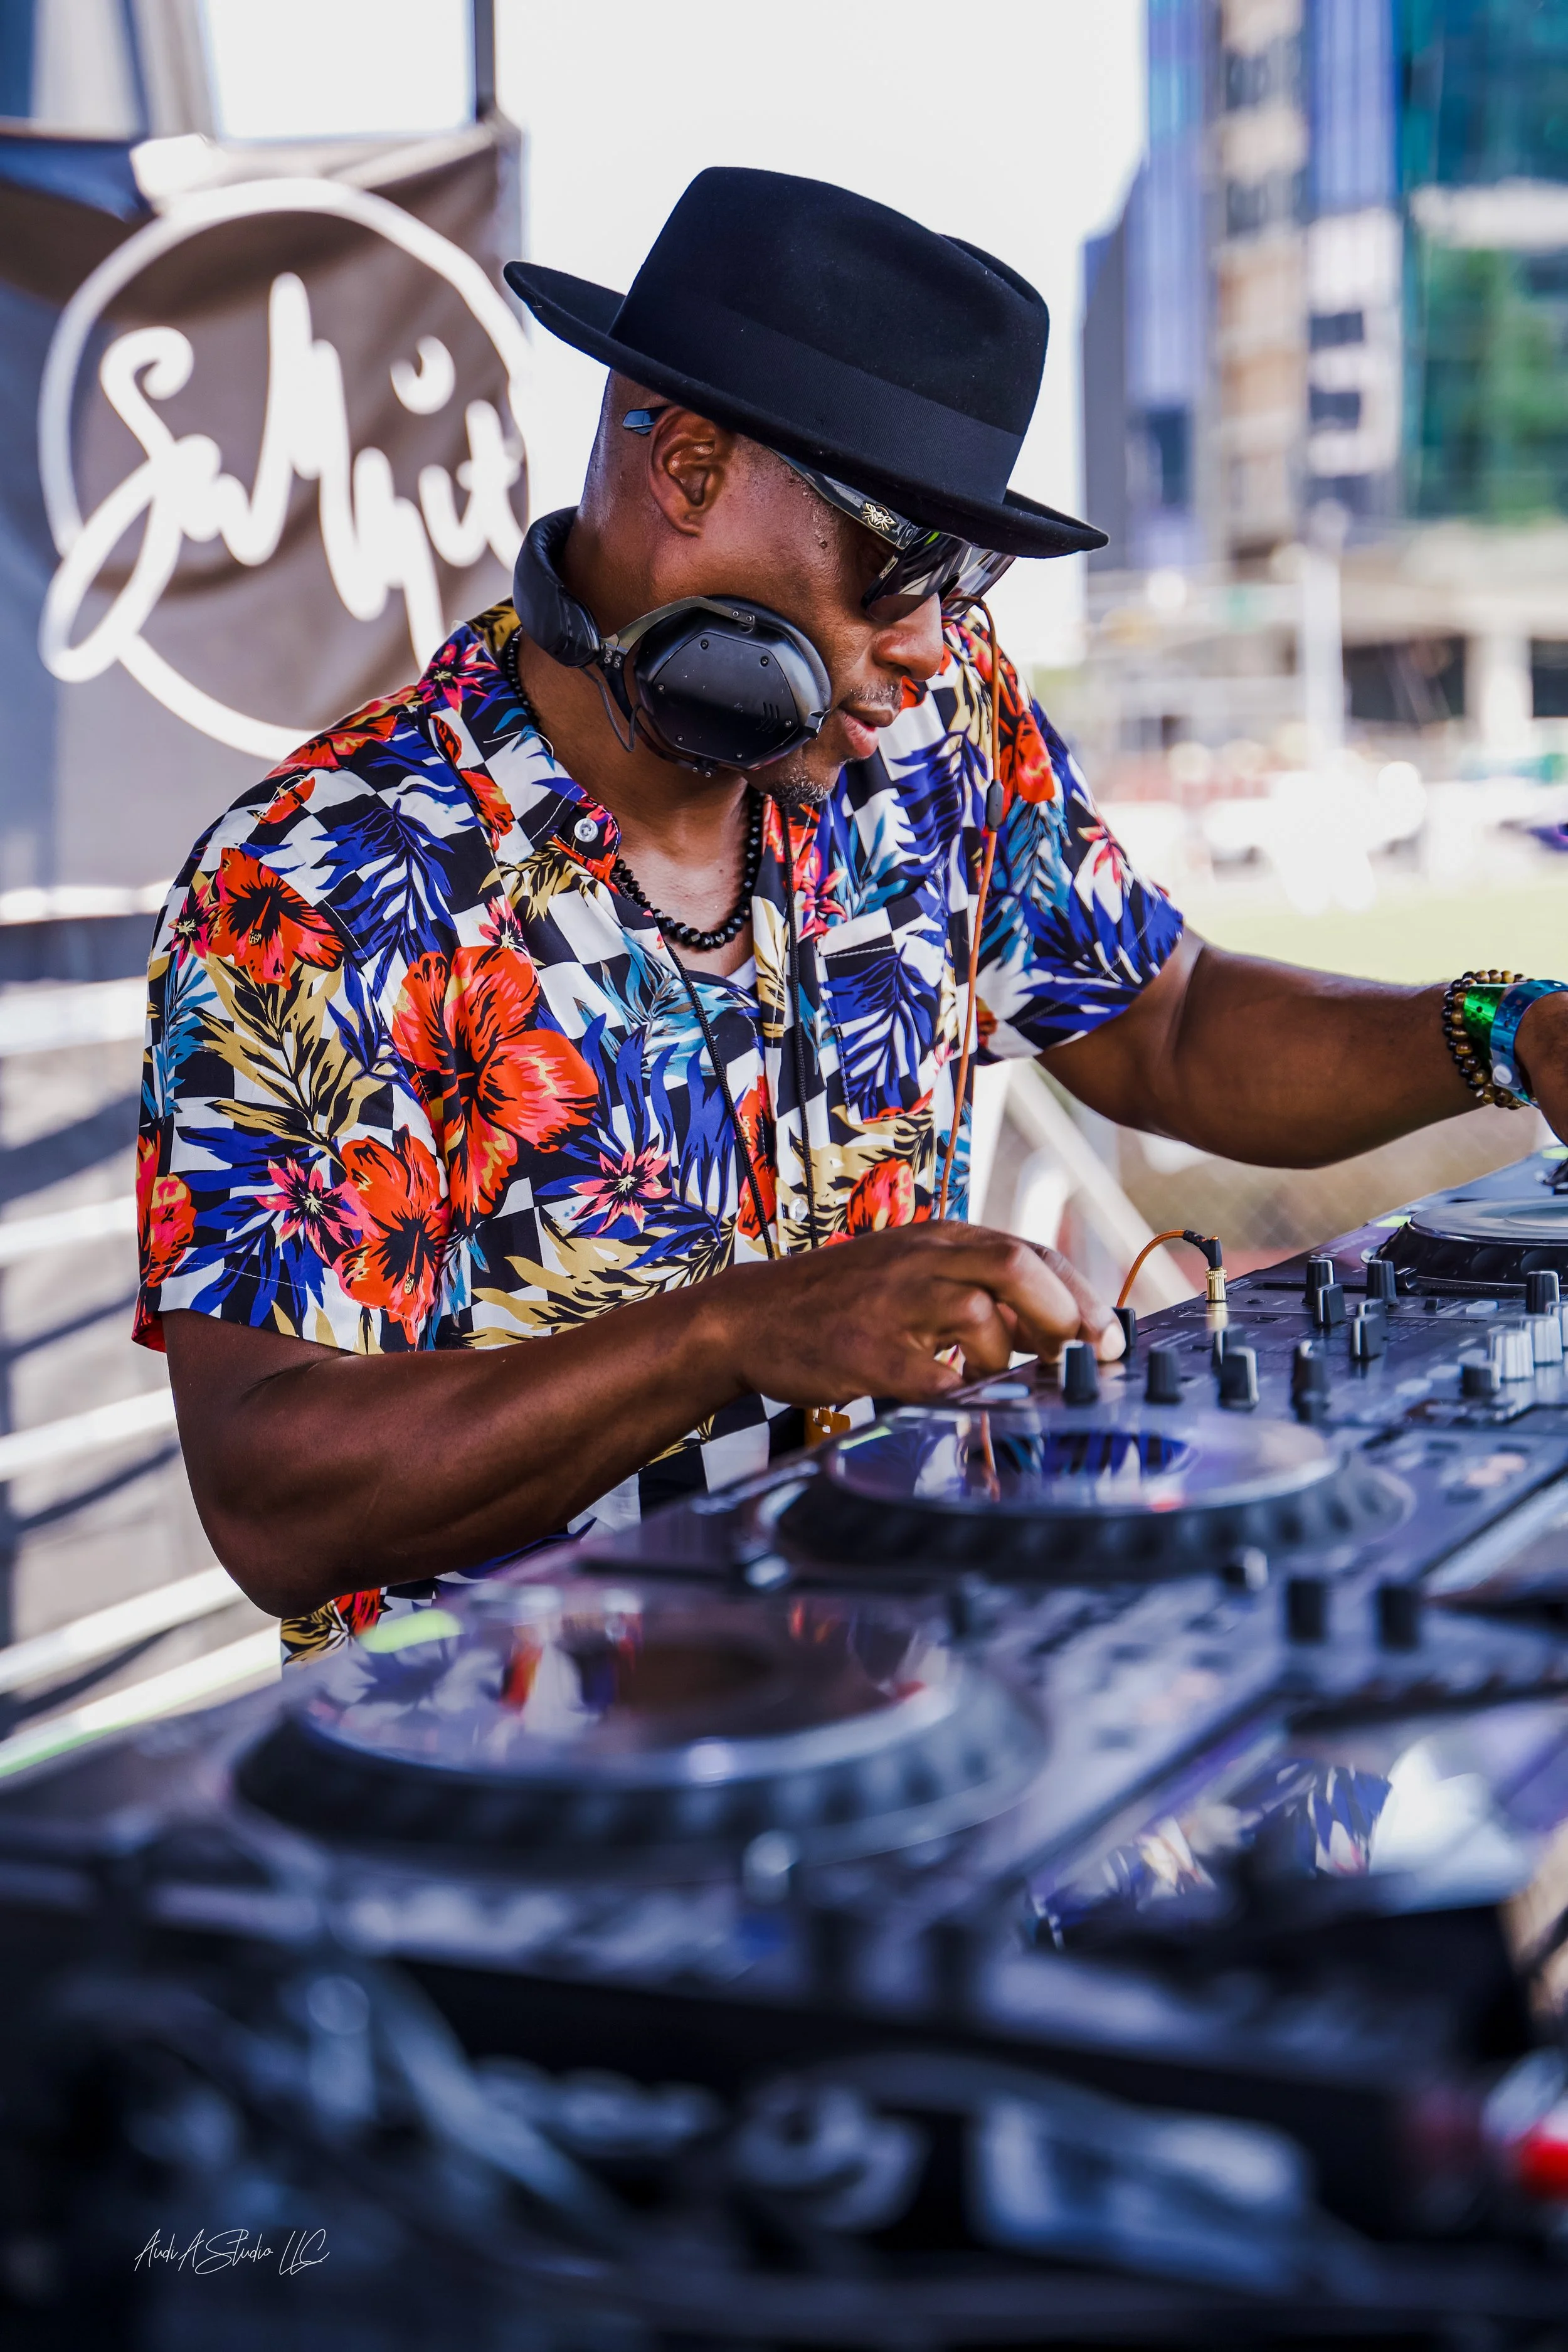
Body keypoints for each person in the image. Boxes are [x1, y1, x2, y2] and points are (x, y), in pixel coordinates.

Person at [135, 169, 1568, 1662]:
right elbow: (275, 1496)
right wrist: (724, 1334)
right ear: (689, 469)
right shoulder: (314, 882)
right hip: (517, 1781)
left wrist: (1504, 1031)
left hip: (923, 1708)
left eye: (972, 577)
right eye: (905, 565)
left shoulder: (938, 739)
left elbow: (1166, 1018)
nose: (935, 644)